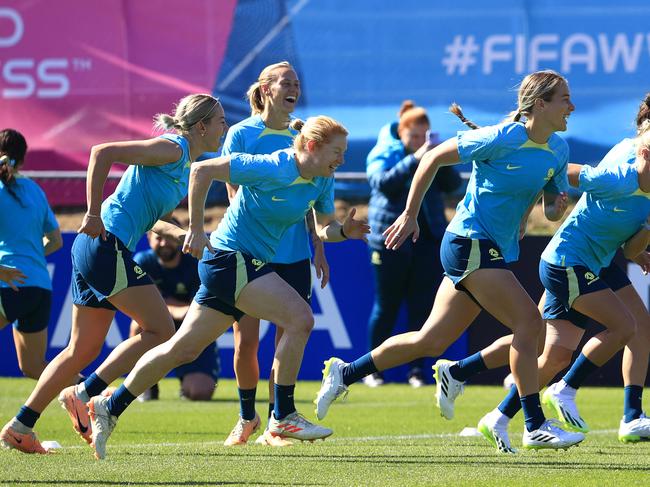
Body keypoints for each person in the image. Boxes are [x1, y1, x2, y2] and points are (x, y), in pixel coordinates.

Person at [315, 70, 586, 450]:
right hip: (467, 241)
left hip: (487, 248)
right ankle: (534, 424)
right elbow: (433, 159)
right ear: (540, 104)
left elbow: (550, 210)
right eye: (564, 99)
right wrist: (409, 215)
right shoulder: (503, 137)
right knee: (530, 324)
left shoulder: (559, 150)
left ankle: (345, 373)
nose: (572, 106)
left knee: (431, 339)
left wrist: (553, 208)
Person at [84, 115, 370, 460]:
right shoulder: (271, 166)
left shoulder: (323, 180)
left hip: (238, 266)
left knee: (182, 349)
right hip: (228, 257)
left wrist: (343, 232)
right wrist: (196, 229)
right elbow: (201, 171)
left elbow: (325, 228)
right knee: (300, 319)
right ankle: (282, 416)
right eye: (336, 152)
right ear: (311, 146)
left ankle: (109, 407)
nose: (341, 160)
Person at [0, 94, 226, 454]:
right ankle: (85, 393)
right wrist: (91, 213)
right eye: (220, 121)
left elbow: (148, 216)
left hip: (97, 247)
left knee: (81, 349)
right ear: (201, 126)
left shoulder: (181, 162)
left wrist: (183, 234)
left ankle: (21, 425)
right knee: (162, 329)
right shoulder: (175, 149)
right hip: (105, 244)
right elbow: (102, 152)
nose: (224, 128)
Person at [435, 94, 650, 453]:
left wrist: (642, 238)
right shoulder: (624, 165)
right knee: (627, 325)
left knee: (551, 353)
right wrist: (545, 196)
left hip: (593, 259)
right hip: (570, 257)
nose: (571, 107)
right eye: (564, 99)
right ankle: (573, 394)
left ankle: (493, 411)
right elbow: (566, 172)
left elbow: (628, 244)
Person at [221, 61, 328, 446]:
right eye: (286, 82)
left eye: (297, 83)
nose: (294, 88)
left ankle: (276, 420)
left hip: (294, 253)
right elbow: (233, 192)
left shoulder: (304, 136)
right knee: (245, 340)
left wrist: (319, 246)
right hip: (252, 252)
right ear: (266, 89)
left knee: (289, 335)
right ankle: (246, 416)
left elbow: (314, 199)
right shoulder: (241, 133)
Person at [365, 101, 461, 388]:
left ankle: (417, 370)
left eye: (424, 136)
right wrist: (415, 159)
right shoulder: (385, 150)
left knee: (421, 307)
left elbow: (452, 184)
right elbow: (381, 183)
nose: (419, 142)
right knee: (386, 307)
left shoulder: (431, 153)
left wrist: (437, 156)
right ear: (402, 133)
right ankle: (372, 370)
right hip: (389, 239)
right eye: (413, 137)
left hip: (427, 238)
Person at [0, 129, 62, 381]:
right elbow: (56, 241)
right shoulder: (35, 190)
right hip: (38, 286)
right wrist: (34, 258)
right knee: (35, 368)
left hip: (8, 282)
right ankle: (92, 391)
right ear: (23, 159)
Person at [130, 228, 219, 402]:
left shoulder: (195, 261)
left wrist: (165, 304)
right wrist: (178, 309)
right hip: (159, 324)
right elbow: (142, 307)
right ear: (149, 239)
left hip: (195, 326)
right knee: (138, 324)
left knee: (199, 392)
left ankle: (186, 384)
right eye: (159, 238)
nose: (164, 243)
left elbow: (201, 308)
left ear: (179, 237)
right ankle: (146, 385)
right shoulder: (143, 262)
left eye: (169, 238)